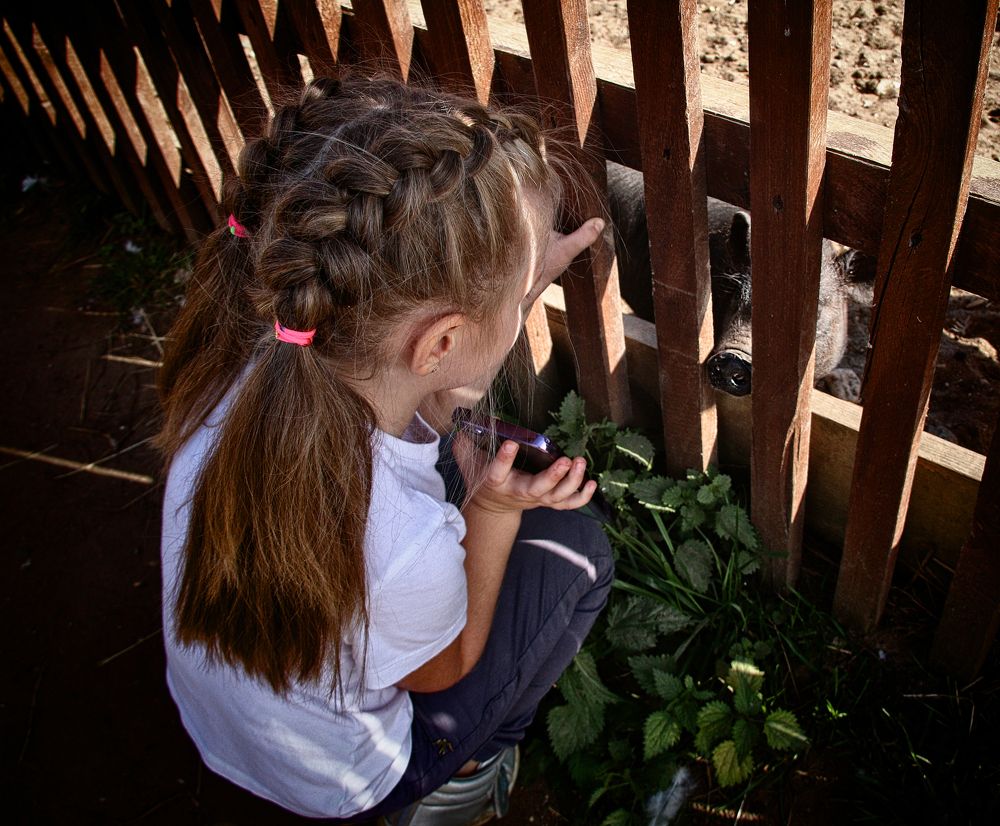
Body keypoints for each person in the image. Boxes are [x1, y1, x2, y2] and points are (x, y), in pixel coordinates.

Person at [157, 75, 613, 824]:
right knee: (582, 550)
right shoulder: (405, 544)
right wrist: (494, 509)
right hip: (345, 784)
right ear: (439, 343)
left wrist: (517, 287)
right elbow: (444, 671)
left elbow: (434, 370)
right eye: (518, 295)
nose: (523, 300)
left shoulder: (249, 365)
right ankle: (462, 782)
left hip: (223, 726)